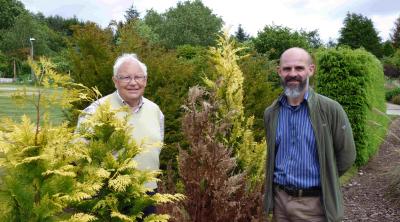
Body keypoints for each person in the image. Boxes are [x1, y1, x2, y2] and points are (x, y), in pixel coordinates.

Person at [263, 47, 356, 222]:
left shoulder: (330, 109)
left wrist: (326, 177)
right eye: (286, 69)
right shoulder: (271, 113)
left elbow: (347, 155)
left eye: (299, 68)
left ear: (311, 70)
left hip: (314, 206)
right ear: (279, 72)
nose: (292, 74)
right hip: (279, 203)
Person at [78, 53, 164, 217]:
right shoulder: (97, 110)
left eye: (138, 77)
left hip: (147, 195)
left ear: (145, 80)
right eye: (125, 77)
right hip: (108, 197)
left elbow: (156, 148)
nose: (133, 82)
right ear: (115, 81)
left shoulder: (156, 111)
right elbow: (79, 154)